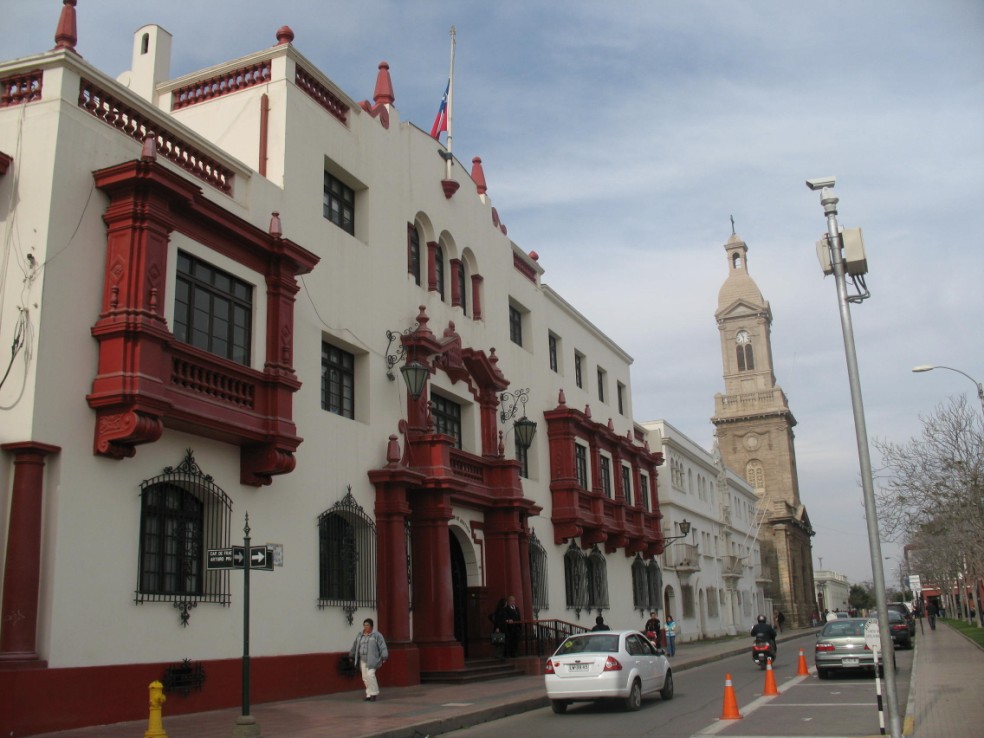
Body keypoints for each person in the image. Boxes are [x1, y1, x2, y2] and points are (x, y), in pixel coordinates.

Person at [350, 618, 388, 702]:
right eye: (364, 625)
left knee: (370, 675)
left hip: (372, 659)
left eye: (367, 625)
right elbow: (355, 645)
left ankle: (374, 693)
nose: (365, 627)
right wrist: (352, 654)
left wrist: (384, 656)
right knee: (365, 677)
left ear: (371, 626)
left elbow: (382, 646)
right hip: (362, 660)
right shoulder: (360, 635)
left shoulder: (376, 635)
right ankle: (369, 694)